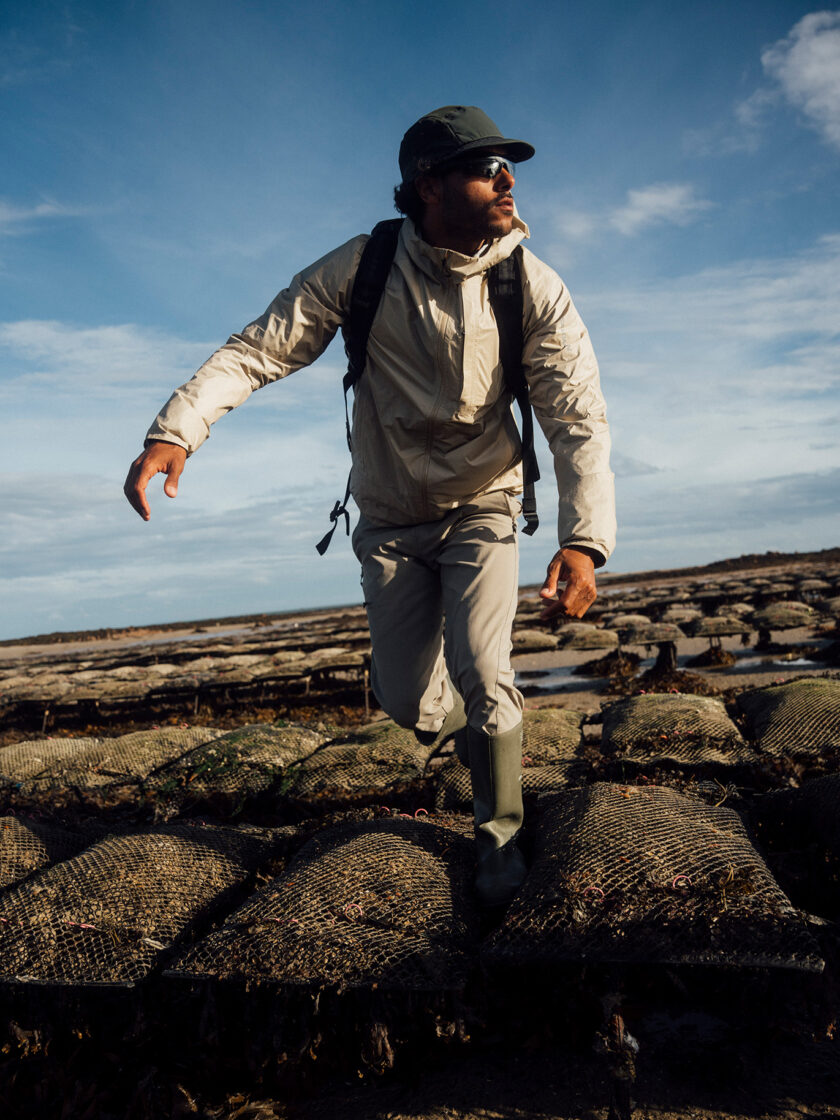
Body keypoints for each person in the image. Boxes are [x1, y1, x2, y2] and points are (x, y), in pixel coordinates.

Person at [124, 105, 616, 907]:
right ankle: (474, 732)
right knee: (406, 699)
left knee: (486, 670)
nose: (507, 180)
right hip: (387, 518)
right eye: (484, 166)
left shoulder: (532, 285)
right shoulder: (365, 266)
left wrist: (585, 539)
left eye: (507, 166)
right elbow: (260, 348)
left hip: (483, 505)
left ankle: (499, 838)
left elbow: (576, 414)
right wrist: (177, 431)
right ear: (428, 185)